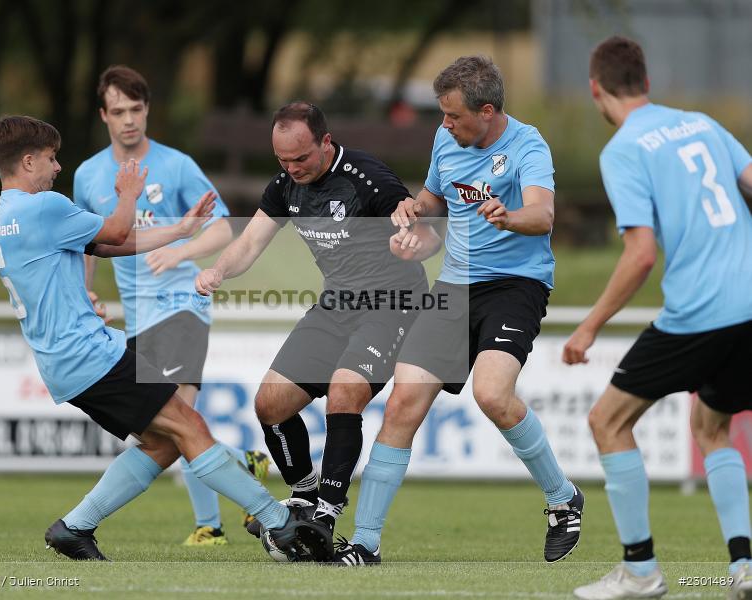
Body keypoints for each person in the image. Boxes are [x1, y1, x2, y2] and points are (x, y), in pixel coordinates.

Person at [0, 115, 332, 562]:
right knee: (190, 426)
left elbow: (107, 246)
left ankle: (74, 528)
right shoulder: (43, 206)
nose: (57, 168)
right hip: (90, 353)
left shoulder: (6, 218)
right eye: (51, 159)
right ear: (28, 160)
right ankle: (280, 523)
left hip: (66, 361)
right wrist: (127, 195)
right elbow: (114, 230)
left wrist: (180, 232)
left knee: (165, 441)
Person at [334, 55, 583, 566]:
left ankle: (562, 499)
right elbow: (433, 195)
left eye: (453, 116)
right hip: (454, 286)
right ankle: (364, 543)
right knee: (404, 403)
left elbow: (543, 214)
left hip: (516, 286)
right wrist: (414, 208)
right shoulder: (447, 140)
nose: (444, 125)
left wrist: (510, 217)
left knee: (492, 394)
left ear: (487, 111)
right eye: (443, 116)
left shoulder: (527, 145)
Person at [563, 36, 752, 600]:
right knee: (711, 427)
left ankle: (641, 571)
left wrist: (589, 324)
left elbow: (641, 254)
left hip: (700, 312)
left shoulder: (623, 149)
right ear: (645, 81)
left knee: (608, 422)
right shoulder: (702, 124)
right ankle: (744, 567)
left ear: (596, 89)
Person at [195, 102, 432, 535]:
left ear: (326, 142)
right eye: (282, 160)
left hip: (392, 304)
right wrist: (218, 270)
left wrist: (414, 240)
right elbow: (248, 244)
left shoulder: (368, 177)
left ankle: (327, 511)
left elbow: (424, 233)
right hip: (336, 305)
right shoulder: (285, 186)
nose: (292, 168)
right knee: (270, 404)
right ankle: (305, 491)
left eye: (300, 158)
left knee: (345, 391)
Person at [71, 64, 270, 547]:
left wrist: (181, 250)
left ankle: (211, 526)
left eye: (136, 109)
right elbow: (87, 245)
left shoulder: (177, 165)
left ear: (147, 110)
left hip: (183, 306)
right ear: (104, 115)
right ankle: (242, 464)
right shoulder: (88, 175)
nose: (129, 120)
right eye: (118, 111)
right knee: (166, 428)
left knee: (179, 413)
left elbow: (223, 226)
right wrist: (86, 296)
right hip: (138, 318)